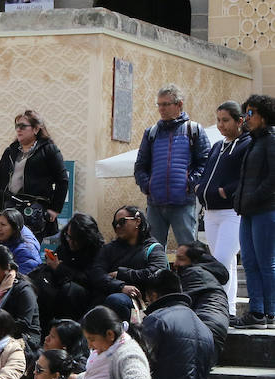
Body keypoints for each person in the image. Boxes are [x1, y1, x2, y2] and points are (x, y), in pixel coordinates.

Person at [134, 83, 211, 247]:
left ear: (179, 104)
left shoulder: (194, 130)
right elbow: (140, 165)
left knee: (188, 249)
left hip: (183, 202)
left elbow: (205, 163)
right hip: (155, 203)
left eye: (165, 104)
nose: (161, 109)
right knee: (153, 249)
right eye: (159, 105)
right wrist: (148, 186)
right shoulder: (151, 133)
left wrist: (189, 184)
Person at [195, 101, 250, 317]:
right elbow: (206, 171)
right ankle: (229, 308)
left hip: (232, 212)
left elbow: (247, 176)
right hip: (210, 212)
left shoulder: (247, 144)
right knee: (226, 262)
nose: (220, 125)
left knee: (221, 260)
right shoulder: (218, 146)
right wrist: (199, 187)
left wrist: (226, 191)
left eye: (225, 120)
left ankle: (217, 308)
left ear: (239, 121)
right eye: (218, 120)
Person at [0, 109, 69, 242]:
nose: (18, 130)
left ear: (36, 129)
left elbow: (62, 181)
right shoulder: (10, 151)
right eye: (17, 126)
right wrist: (0, 204)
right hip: (10, 209)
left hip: (34, 210)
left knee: (27, 247)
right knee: (5, 248)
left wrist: (55, 209)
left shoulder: (49, 150)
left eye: (22, 126)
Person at [232, 94, 275, 329]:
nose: (246, 118)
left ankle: (271, 312)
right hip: (248, 211)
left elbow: (272, 179)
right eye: (245, 113)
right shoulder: (253, 141)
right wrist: (240, 199)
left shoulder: (271, 140)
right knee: (249, 261)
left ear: (264, 116)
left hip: (266, 210)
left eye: (251, 113)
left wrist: (252, 197)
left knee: (266, 262)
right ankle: (257, 312)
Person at [30, 213, 104, 330]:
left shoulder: (98, 252)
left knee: (70, 290)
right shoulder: (66, 243)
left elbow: (91, 279)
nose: (71, 242)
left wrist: (60, 268)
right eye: (69, 237)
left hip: (81, 294)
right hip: (58, 285)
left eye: (76, 240)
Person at [89, 206, 168, 314]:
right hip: (110, 292)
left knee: (116, 300)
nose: (118, 226)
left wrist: (121, 274)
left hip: (140, 301)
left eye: (122, 222)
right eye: (115, 224)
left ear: (137, 221)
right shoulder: (109, 249)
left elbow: (156, 273)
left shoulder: (153, 248)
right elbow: (97, 273)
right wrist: (120, 287)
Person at [174, 242, 230, 362]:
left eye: (181, 259)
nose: (175, 263)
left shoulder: (194, 273)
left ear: (194, 260)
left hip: (204, 333)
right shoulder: (206, 275)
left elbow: (175, 306)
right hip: (210, 335)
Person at [0, 208, 41, 276]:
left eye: (3, 225)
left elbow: (24, 278)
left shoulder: (25, 251)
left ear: (14, 228)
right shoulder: (5, 242)